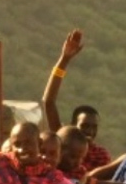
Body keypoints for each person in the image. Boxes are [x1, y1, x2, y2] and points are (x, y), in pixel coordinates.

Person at [43, 30, 111, 171]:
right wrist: (64, 60)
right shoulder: (61, 140)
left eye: (94, 127)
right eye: (85, 126)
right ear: (73, 125)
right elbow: (49, 101)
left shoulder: (100, 155)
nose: (90, 131)